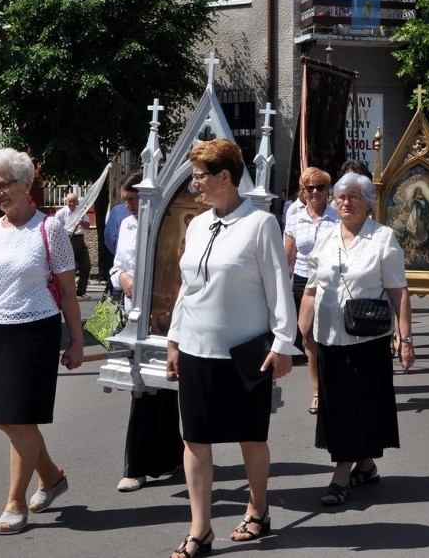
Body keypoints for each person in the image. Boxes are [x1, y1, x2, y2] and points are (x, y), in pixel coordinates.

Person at [166, 139, 300, 557]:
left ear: (225, 177)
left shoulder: (260, 224)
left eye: (200, 176)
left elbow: (280, 289)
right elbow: (188, 289)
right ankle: (200, 529)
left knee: (250, 437)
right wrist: (173, 338)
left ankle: (258, 509)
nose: (194, 184)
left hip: (245, 352)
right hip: (196, 347)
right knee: (195, 440)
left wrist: (283, 344)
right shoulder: (197, 223)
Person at [0, 148, 84, 536]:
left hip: (35, 331)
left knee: (20, 420)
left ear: (27, 184)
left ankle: (14, 502)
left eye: (5, 183)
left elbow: (69, 293)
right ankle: (52, 476)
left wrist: (76, 342)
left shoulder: (50, 229)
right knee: (3, 418)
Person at [298, 172, 414, 506]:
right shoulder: (326, 239)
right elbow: (310, 292)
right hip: (328, 339)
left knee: (355, 407)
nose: (345, 202)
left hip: (367, 341)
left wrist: (405, 339)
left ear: (368, 203)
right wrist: (295, 335)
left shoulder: (383, 238)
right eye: (340, 196)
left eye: (353, 197)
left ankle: (341, 477)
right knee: (338, 408)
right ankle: (365, 466)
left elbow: (398, 292)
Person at [110, 171, 184, 492]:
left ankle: (154, 460)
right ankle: (144, 463)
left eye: (132, 200)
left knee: (160, 388)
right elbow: (116, 267)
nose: (128, 207)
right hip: (133, 317)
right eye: (125, 200)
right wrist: (122, 278)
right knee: (142, 387)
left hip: (166, 317)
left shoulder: (169, 221)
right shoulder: (127, 225)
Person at [284, 167, 339, 415]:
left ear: (328, 191)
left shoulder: (338, 218)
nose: (315, 192)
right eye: (310, 188)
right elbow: (288, 258)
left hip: (330, 282)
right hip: (302, 281)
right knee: (308, 339)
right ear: (303, 191)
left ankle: (336, 386)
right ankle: (318, 391)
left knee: (332, 335)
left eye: (320, 187)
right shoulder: (294, 217)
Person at [55, 193, 92, 298]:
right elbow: (55, 228)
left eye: (73, 201)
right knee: (70, 267)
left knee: (86, 266)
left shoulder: (81, 212)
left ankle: (81, 291)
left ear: (77, 202)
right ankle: (68, 292)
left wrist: (82, 222)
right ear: (66, 201)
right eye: (69, 201)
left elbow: (88, 226)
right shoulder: (61, 213)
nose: (71, 203)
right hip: (68, 239)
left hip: (80, 239)